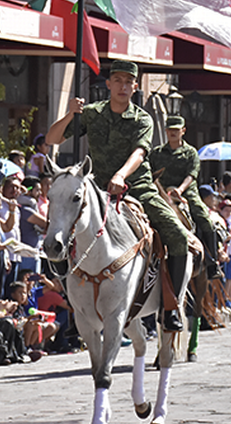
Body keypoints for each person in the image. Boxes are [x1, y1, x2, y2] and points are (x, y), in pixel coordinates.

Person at [45, 60, 191, 331]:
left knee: (178, 236)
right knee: (64, 225)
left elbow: (139, 152)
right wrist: (69, 114)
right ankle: (75, 295)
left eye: (128, 82)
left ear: (135, 87)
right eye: (118, 81)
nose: (123, 86)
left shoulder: (142, 118)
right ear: (109, 84)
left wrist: (121, 175)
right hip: (98, 190)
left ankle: (172, 306)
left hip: (138, 187)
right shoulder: (92, 113)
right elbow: (53, 139)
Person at [151, 115, 220, 278]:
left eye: (176, 130)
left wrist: (180, 190)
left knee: (204, 218)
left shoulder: (191, 153)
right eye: (170, 130)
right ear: (165, 131)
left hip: (186, 191)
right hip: (160, 190)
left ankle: (213, 263)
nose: (172, 133)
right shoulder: (156, 153)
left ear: (183, 131)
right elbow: (150, 173)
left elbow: (192, 175)